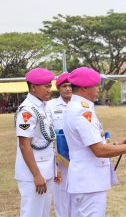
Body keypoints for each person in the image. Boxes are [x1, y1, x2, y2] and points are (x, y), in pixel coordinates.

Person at [62, 67, 126, 216]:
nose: (98, 89)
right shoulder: (82, 111)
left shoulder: (74, 107)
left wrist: (118, 145)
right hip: (89, 183)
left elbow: (90, 145)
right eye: (95, 86)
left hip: (85, 181)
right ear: (84, 88)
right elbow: (98, 150)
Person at [14, 68, 61, 217]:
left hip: (45, 171)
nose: (50, 89)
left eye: (50, 85)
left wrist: (54, 168)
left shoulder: (43, 107)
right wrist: (36, 175)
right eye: (46, 86)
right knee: (32, 213)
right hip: (32, 174)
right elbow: (24, 144)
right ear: (33, 87)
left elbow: (48, 141)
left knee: (43, 213)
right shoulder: (27, 110)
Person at [45, 72, 72, 217]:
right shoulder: (50, 106)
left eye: (70, 85)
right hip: (60, 159)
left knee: (78, 195)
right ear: (58, 88)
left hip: (79, 158)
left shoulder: (82, 104)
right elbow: (47, 135)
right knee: (61, 195)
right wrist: (54, 163)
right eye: (64, 86)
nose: (68, 89)